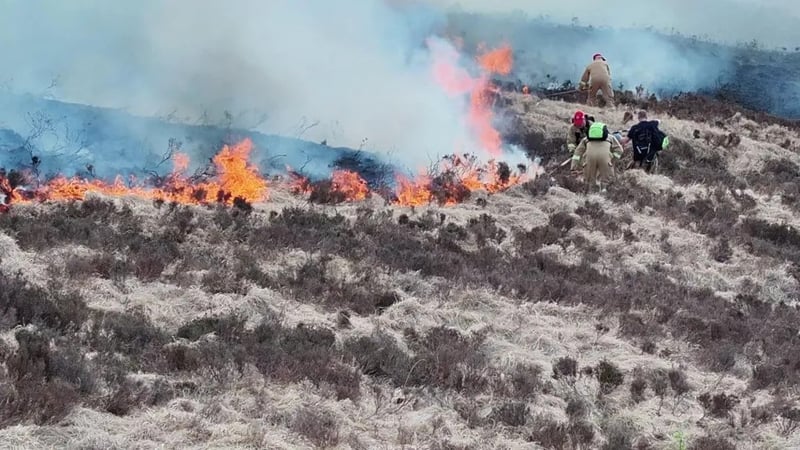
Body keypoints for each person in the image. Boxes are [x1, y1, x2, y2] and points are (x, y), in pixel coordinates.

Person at [573, 121, 624, 192]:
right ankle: (604, 196)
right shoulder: (611, 137)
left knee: (589, 181)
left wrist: (574, 167)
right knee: (606, 181)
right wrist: (612, 160)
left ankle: (589, 197)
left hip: (590, 159)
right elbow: (620, 150)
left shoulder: (586, 139)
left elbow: (577, 152)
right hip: (605, 159)